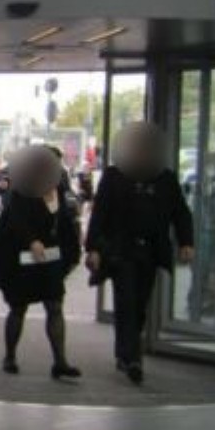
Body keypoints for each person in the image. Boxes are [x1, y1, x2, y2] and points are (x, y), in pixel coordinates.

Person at [86, 122, 194, 384]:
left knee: (140, 304)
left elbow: (180, 212)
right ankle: (132, 357)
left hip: (150, 251)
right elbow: (99, 213)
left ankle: (126, 351)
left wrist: (186, 242)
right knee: (126, 301)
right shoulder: (113, 176)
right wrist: (93, 248)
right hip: (120, 251)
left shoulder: (166, 179)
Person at [0, 145, 82, 379]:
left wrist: (73, 254)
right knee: (18, 308)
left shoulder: (60, 189)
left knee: (55, 306)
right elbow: (15, 220)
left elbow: (66, 224)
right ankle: (10, 356)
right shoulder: (23, 191)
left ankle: (60, 361)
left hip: (51, 260)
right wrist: (32, 240)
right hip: (23, 261)